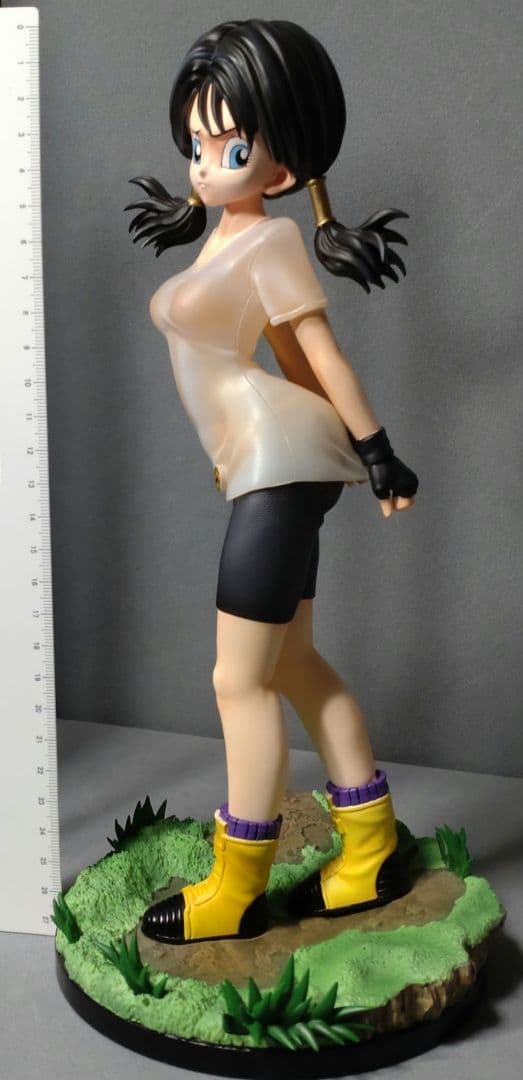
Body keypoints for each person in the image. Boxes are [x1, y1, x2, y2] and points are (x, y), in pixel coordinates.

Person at [125, 18, 418, 946]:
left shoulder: (274, 242)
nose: (206, 164)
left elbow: (321, 353)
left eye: (232, 147)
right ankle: (369, 849)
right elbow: (288, 352)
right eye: (198, 145)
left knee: (237, 678)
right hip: (269, 463)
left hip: (277, 466)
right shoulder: (232, 240)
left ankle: (235, 885)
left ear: (282, 167)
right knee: (290, 663)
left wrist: (376, 449)